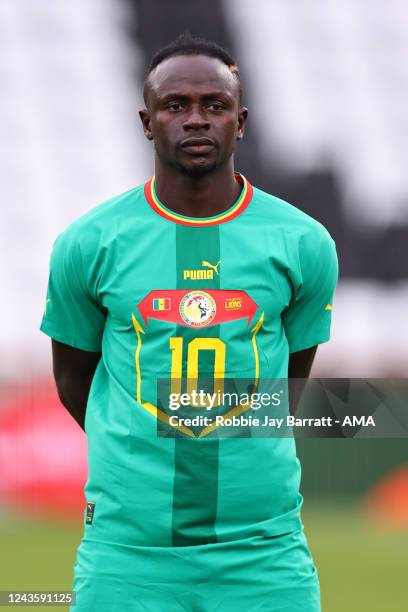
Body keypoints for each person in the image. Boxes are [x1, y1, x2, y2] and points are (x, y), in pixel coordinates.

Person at [40, 33, 338, 612]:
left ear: (241, 120)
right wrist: (139, 445)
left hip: (263, 552)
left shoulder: (304, 242)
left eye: (215, 105)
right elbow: (73, 382)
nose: (196, 119)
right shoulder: (88, 243)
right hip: (127, 553)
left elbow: (288, 385)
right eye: (176, 106)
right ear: (147, 121)